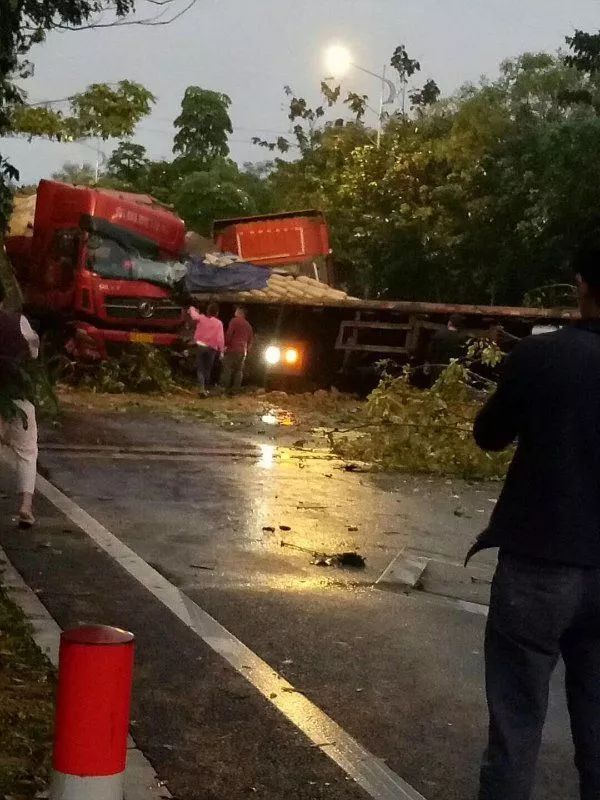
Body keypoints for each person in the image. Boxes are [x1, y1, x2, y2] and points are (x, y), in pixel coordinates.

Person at [469, 237, 600, 800]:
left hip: (539, 566)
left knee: (517, 726)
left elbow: (489, 436)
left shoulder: (543, 356)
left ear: (583, 287)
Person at [0, 283, 39, 528]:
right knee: (26, 452)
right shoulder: (18, 321)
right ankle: (25, 506)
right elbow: (33, 352)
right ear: (3, 299)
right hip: (18, 396)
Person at [188, 302, 224, 396]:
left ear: (208, 311)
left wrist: (192, 308)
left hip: (201, 346)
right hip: (212, 349)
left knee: (200, 368)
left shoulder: (202, 318)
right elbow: (220, 338)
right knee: (207, 369)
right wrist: (221, 351)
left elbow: (194, 316)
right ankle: (206, 390)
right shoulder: (219, 323)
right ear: (217, 313)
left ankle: (201, 389)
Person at [220, 306, 254, 393]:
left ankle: (224, 387)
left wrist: (225, 345)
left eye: (236, 311)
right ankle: (236, 389)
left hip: (233, 348)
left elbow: (229, 334)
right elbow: (250, 341)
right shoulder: (249, 326)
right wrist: (247, 351)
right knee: (239, 371)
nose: (235, 312)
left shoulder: (234, 321)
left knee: (227, 368)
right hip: (243, 351)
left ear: (239, 312)